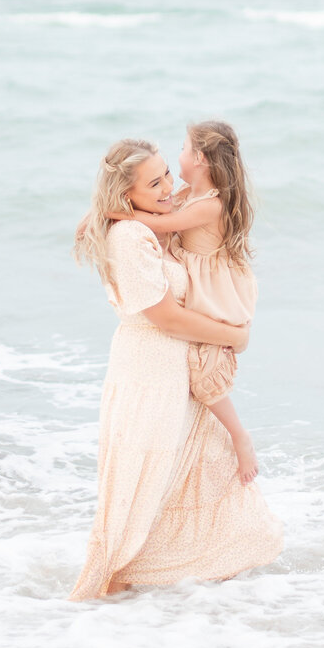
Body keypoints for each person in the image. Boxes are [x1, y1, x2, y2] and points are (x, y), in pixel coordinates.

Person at [69, 138, 283, 602]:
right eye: (154, 183)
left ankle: (179, 609)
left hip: (175, 371)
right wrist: (235, 337)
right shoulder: (130, 237)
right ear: (127, 194)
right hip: (148, 374)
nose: (168, 186)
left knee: (205, 476)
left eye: (167, 172)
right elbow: (165, 317)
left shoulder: (159, 222)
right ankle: (96, 611)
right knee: (138, 497)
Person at [110, 121, 260, 485]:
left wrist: (111, 211)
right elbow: (162, 213)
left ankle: (239, 435)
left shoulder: (210, 205)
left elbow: (163, 224)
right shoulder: (189, 194)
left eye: (182, 148)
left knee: (205, 370)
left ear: (201, 159)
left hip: (214, 289)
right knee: (201, 361)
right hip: (201, 282)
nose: (178, 156)